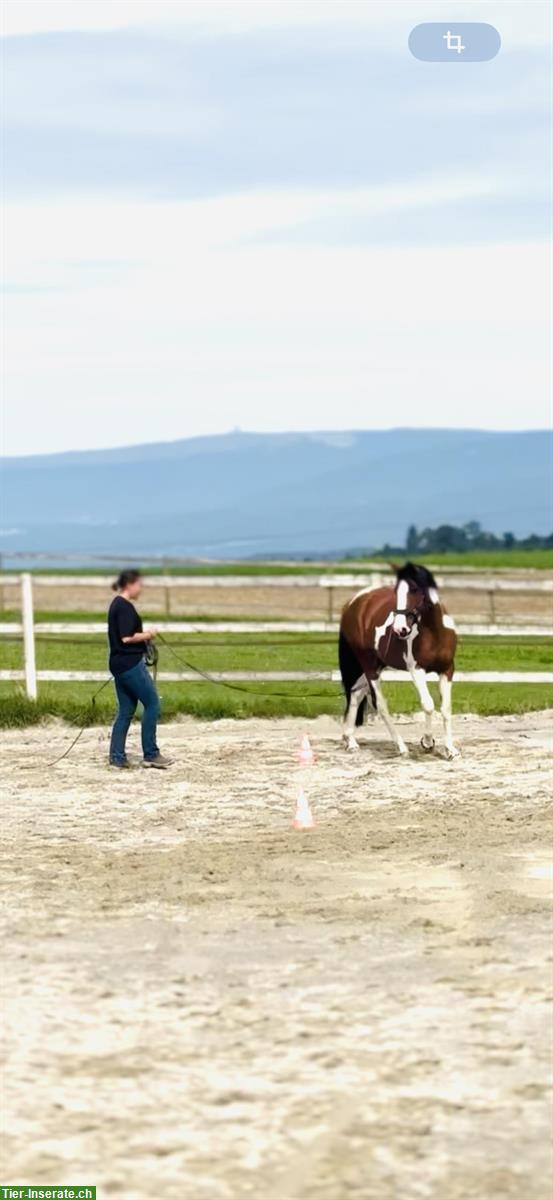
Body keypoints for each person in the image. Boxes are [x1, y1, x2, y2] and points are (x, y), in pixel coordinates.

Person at [107, 569, 172, 769]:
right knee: (152, 703)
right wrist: (148, 634)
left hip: (118, 664)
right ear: (130, 584)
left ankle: (117, 757)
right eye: (139, 585)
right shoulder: (125, 607)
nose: (141, 589)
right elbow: (127, 637)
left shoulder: (115, 605)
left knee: (126, 710)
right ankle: (151, 753)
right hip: (130, 663)